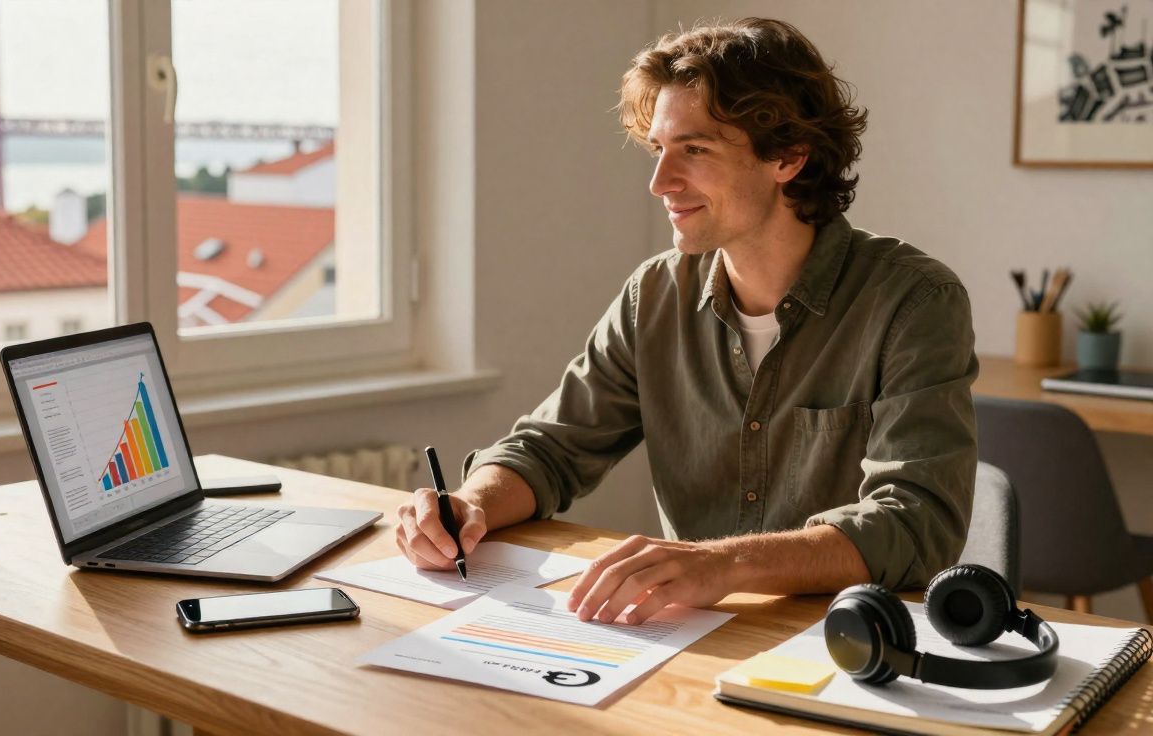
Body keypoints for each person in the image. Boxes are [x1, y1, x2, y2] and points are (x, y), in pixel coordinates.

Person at [395, 18, 977, 625]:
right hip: (692, 638)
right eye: (658, 150)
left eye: (694, 150)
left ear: (788, 156)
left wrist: (722, 565)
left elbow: (917, 521)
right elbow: (550, 448)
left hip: (849, 644)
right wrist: (468, 504)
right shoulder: (655, 294)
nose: (659, 182)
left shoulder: (914, 300)